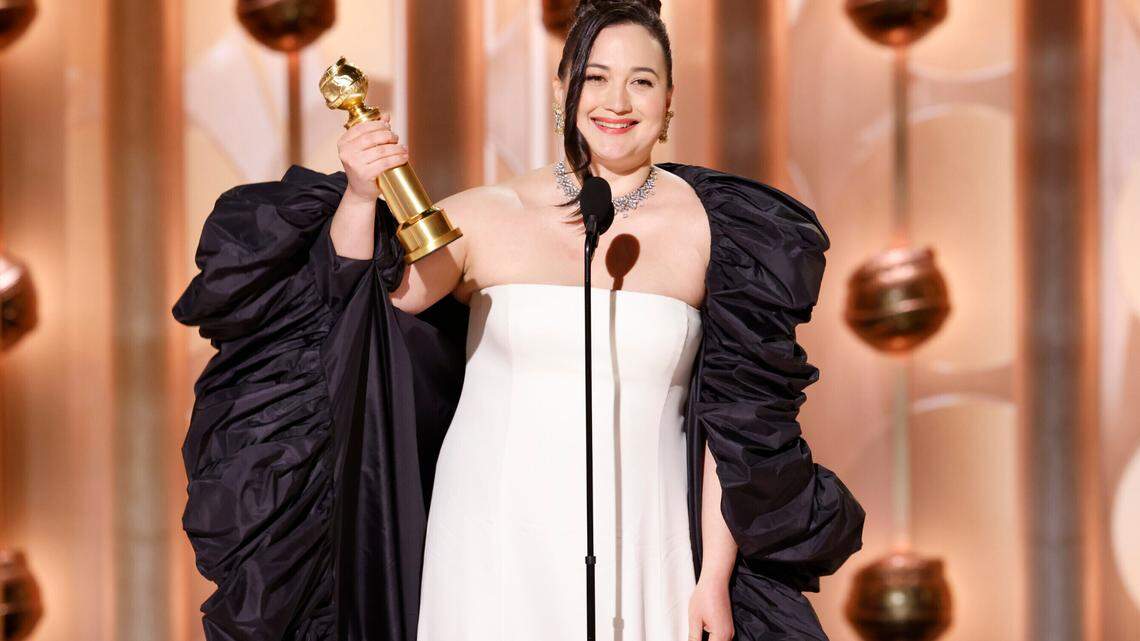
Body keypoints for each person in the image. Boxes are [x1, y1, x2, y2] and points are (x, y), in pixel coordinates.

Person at [172, 1, 865, 640]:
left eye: (642, 81)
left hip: (651, 540)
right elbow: (368, 312)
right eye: (595, 77)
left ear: (670, 99)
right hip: (493, 539)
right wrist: (360, 194)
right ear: (561, 88)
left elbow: (740, 429)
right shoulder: (487, 212)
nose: (616, 102)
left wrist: (713, 576)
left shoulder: (723, 234)